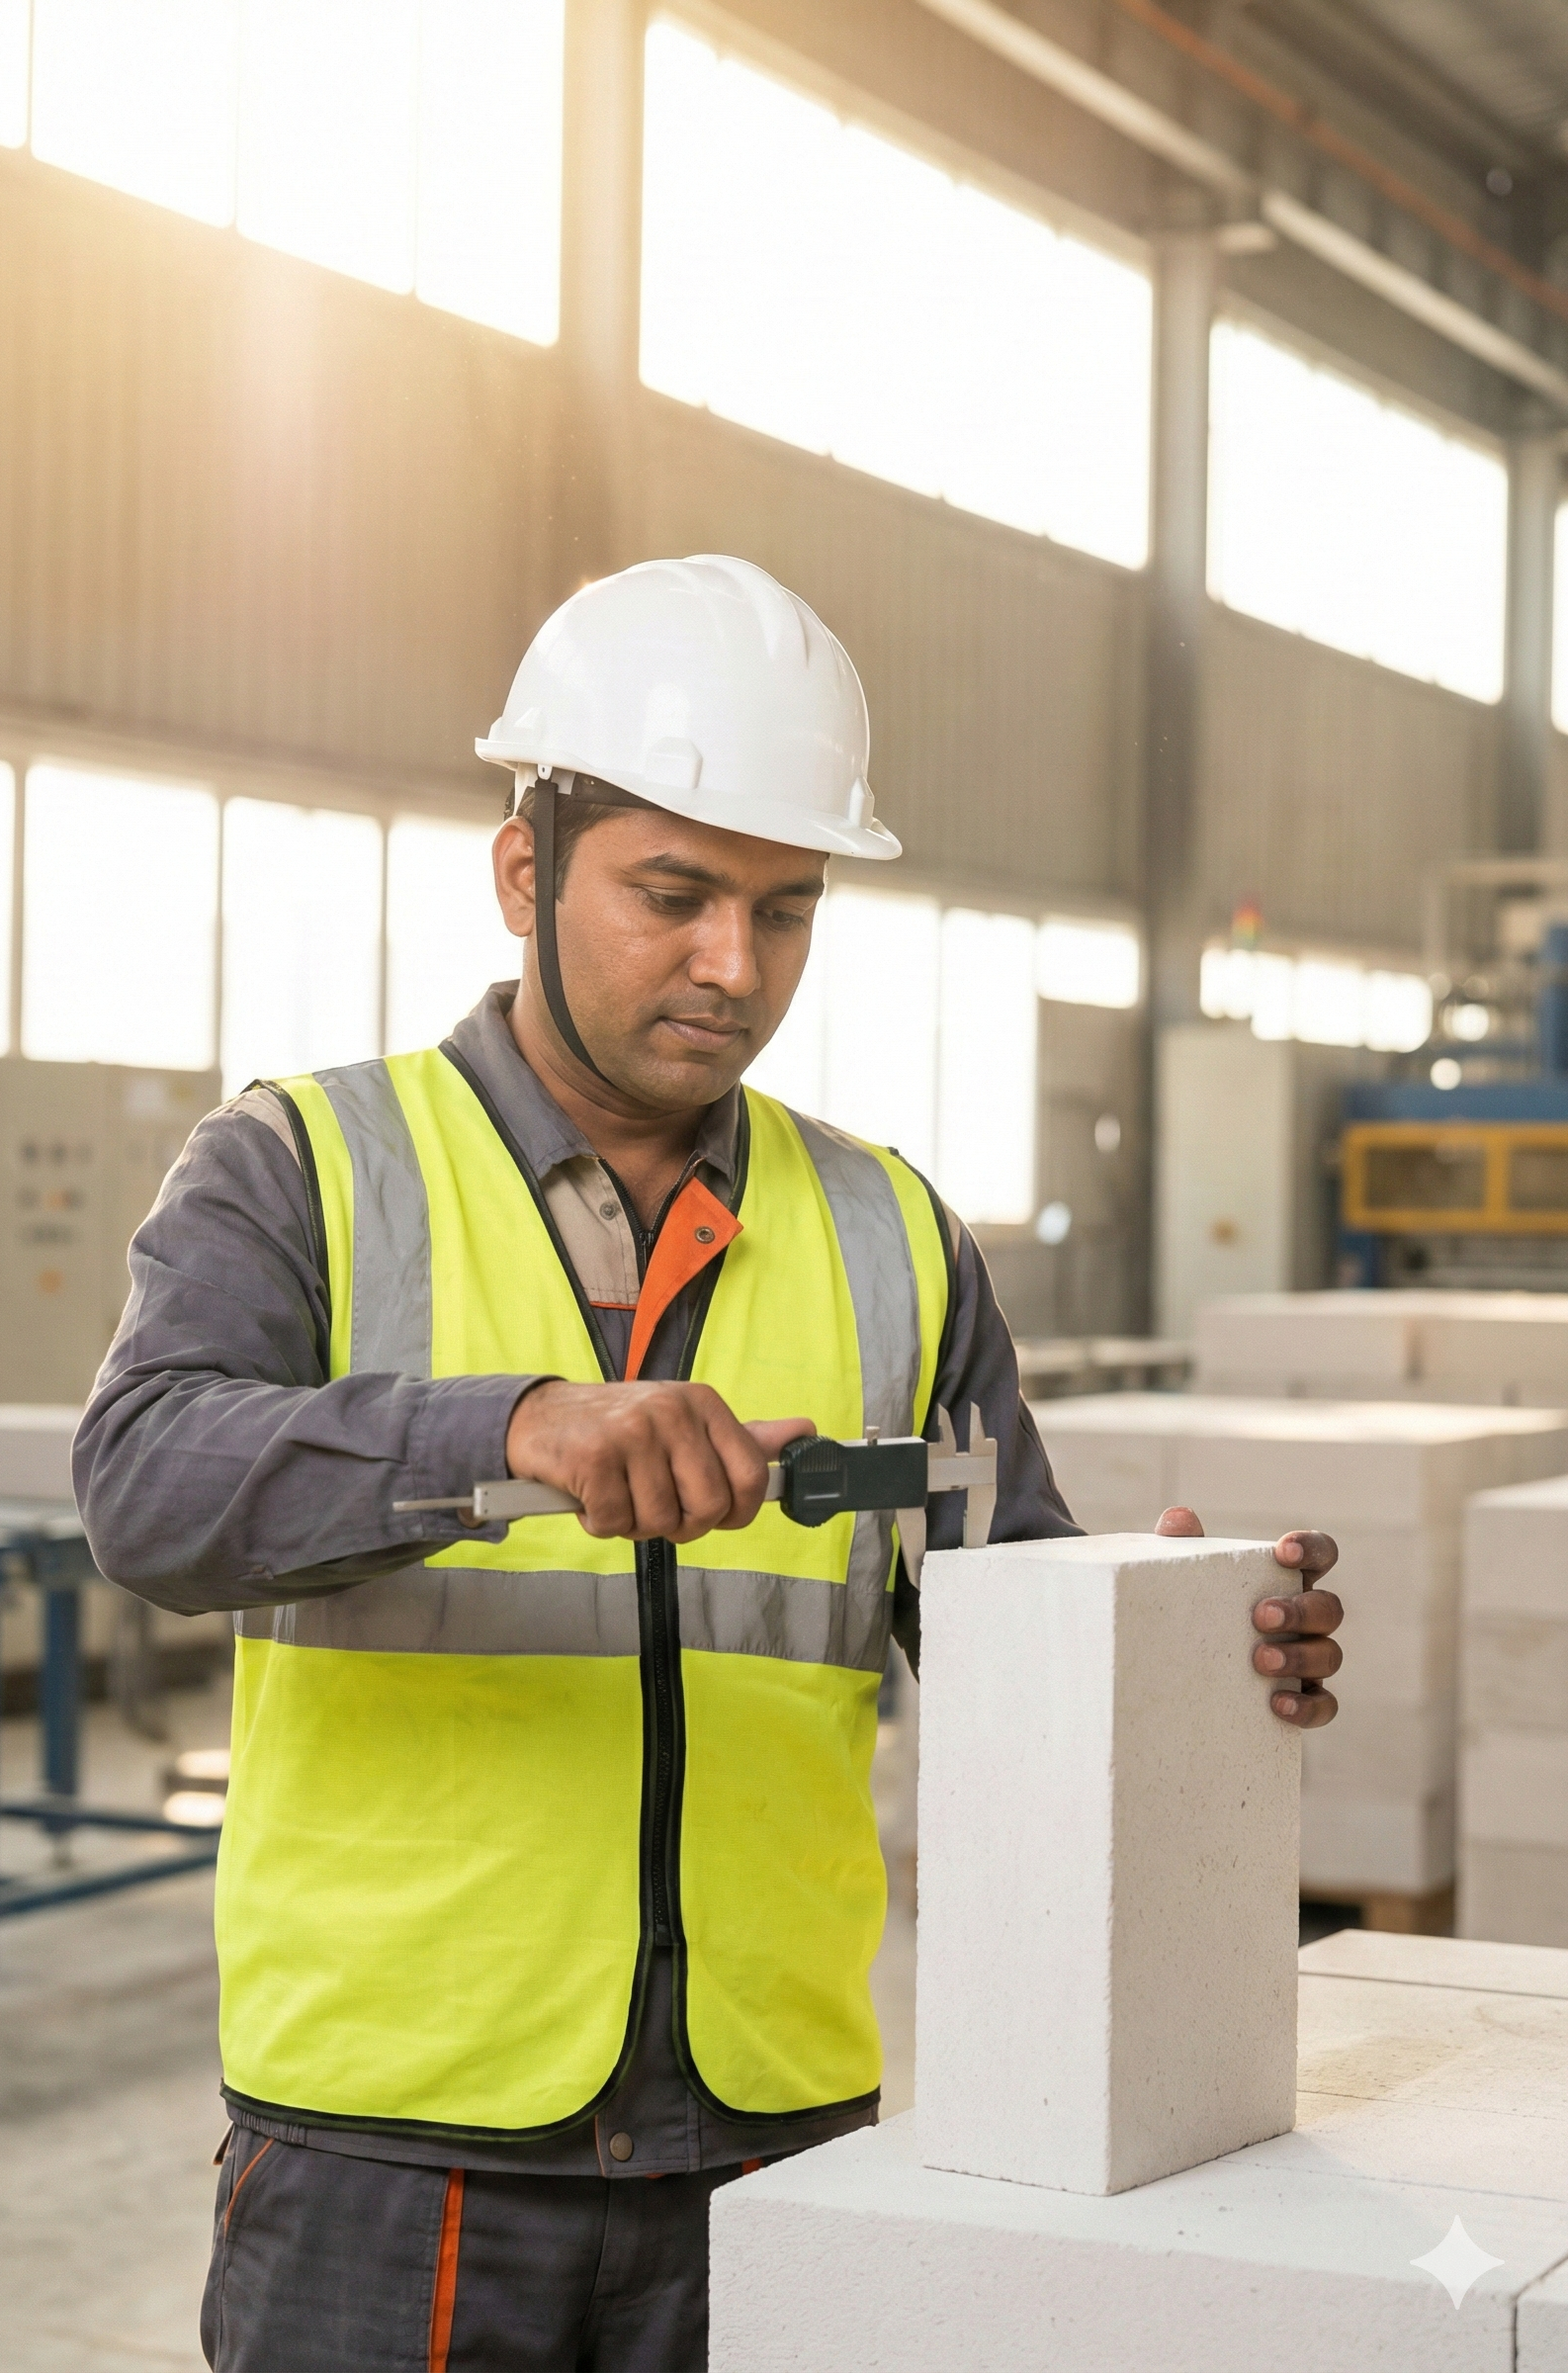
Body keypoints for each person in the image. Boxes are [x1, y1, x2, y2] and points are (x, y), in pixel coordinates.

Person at [74, 554, 1345, 2373]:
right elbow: (146, 1486)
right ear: (525, 873)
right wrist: (509, 1429)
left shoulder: (895, 1234)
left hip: (776, 2129)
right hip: (396, 2145)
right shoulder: (303, 1167)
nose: (733, 967)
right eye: (672, 895)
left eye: (786, 909)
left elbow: (1000, 1617)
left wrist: (1181, 1641)